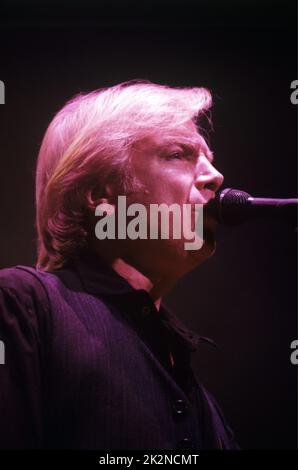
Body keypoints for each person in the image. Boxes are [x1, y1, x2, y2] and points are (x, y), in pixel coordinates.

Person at [0, 80, 239, 449]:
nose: (214, 176)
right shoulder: (23, 303)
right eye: (178, 154)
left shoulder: (186, 372)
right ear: (99, 193)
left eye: (208, 157)